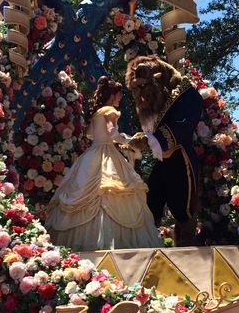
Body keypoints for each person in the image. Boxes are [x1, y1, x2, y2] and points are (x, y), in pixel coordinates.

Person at [45, 76, 162, 251]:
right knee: (109, 191)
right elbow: (113, 133)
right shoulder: (109, 111)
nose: (120, 99)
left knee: (85, 190)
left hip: (92, 154)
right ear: (113, 95)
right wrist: (130, 140)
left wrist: (111, 138)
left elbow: (91, 135)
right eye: (120, 95)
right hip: (107, 153)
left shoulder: (96, 113)